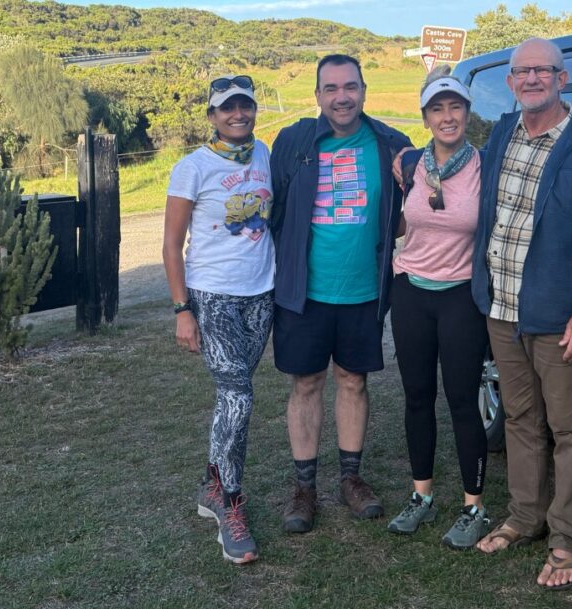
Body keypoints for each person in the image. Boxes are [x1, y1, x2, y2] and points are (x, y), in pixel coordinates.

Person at [471, 38, 572, 590]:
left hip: (560, 318)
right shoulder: (501, 136)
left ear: (563, 79)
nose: (532, 79)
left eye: (543, 70)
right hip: (502, 307)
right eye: (522, 71)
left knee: (570, 430)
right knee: (519, 420)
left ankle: (567, 540)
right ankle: (524, 516)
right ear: (511, 82)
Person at [269, 54, 413, 533]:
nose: (341, 96)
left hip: (364, 290)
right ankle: (304, 488)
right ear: (317, 96)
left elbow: (417, 211)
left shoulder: (392, 144)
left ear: (364, 91)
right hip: (304, 291)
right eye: (330, 88)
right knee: (306, 383)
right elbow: (274, 212)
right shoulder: (292, 142)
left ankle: (351, 479)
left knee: (354, 381)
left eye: (350, 86)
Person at [162, 75, 274, 564]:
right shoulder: (192, 168)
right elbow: (170, 245)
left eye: (245, 106)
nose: (237, 115)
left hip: (260, 294)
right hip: (213, 297)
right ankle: (231, 505)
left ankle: (211, 485)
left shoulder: (264, 153)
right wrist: (182, 309)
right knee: (238, 397)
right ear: (211, 116)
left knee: (233, 398)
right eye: (227, 108)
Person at [387, 66, 490, 549]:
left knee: (463, 401)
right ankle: (421, 495)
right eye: (437, 108)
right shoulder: (409, 165)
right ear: (425, 116)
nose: (447, 117)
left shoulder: (484, 167)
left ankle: (474, 506)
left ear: (468, 112)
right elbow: (400, 224)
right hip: (410, 291)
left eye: (455, 107)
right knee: (416, 395)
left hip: (461, 296)